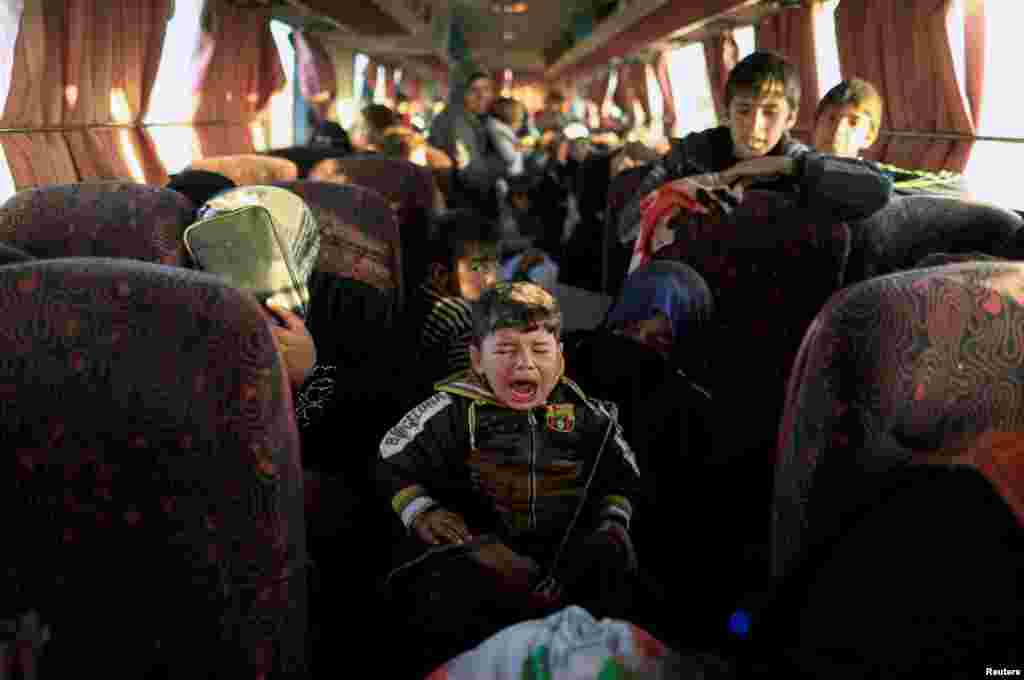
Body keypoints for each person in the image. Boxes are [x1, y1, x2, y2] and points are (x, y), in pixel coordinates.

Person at [377, 282, 642, 668]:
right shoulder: (450, 409)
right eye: (504, 350)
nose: (524, 364)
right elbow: (390, 459)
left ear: (561, 359)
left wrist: (612, 526)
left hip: (569, 571)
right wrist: (423, 513)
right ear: (476, 359)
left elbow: (623, 474)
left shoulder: (588, 415)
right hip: (479, 569)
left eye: (539, 350)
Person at [618, 51, 894, 250]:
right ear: (727, 112)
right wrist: (676, 203)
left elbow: (878, 188)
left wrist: (782, 167)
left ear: (790, 119)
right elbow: (627, 228)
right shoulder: (691, 154)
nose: (755, 125)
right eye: (744, 110)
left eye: (770, 112)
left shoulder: (797, 159)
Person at [812, 79, 970, 197]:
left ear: (869, 137)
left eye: (853, 123)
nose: (839, 130)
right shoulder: (793, 163)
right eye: (831, 118)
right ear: (816, 123)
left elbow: (954, 185)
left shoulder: (874, 176)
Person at [401, 211, 501, 396]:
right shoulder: (457, 314)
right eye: (479, 267)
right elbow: (470, 391)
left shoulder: (415, 301)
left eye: (495, 266)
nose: (492, 279)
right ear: (440, 275)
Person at [428, 71, 506, 217]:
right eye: (474, 90)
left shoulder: (476, 119)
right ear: (461, 93)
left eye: (486, 89)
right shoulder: (455, 121)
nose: (481, 96)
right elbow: (470, 171)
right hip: (465, 205)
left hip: (468, 200)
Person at [487, 96, 527, 178]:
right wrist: (519, 146)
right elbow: (509, 157)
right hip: (508, 175)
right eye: (519, 115)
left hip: (510, 172)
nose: (521, 121)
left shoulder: (499, 128)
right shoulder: (499, 131)